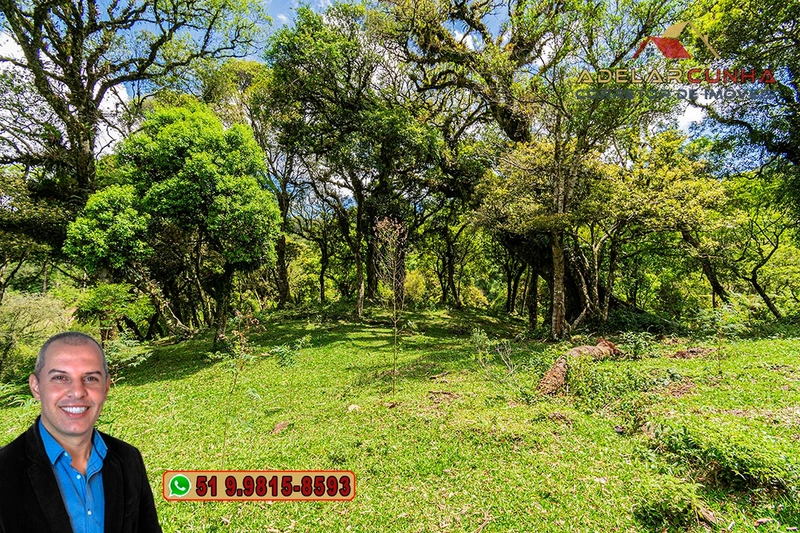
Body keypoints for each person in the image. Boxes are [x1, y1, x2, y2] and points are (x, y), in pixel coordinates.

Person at [0, 332, 162, 533]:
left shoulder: (129, 459)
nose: (77, 392)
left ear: (106, 387)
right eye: (60, 377)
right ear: (36, 387)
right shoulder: (4, 470)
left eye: (90, 378)